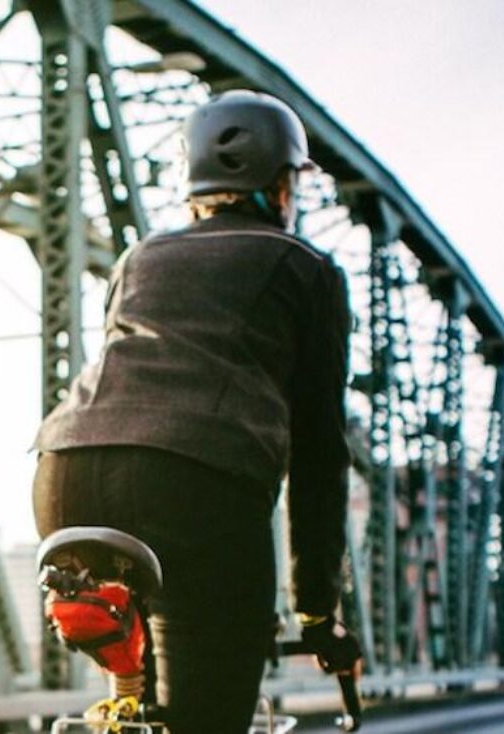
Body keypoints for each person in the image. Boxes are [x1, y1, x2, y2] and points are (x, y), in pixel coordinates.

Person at [32, 89, 361, 734]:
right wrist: (318, 611)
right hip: (197, 486)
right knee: (206, 718)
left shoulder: (141, 257)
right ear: (281, 185)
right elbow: (319, 451)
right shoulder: (306, 267)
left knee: (137, 699)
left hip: (65, 469)